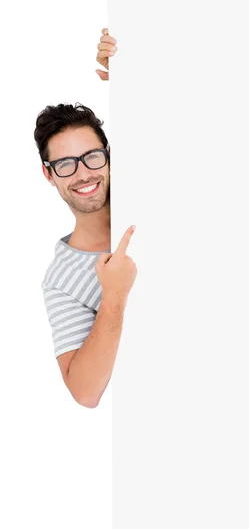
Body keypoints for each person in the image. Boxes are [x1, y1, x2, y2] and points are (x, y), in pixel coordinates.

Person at [34, 30, 136, 408]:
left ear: (108, 155)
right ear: (49, 174)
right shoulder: (61, 280)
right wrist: (113, 295)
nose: (83, 174)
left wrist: (133, 76)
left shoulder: (148, 192)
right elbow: (85, 391)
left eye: (92, 156)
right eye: (65, 164)